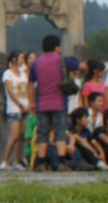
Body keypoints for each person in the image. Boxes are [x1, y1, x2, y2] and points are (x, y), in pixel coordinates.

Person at [27, 34, 81, 172]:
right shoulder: (62, 60)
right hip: (59, 104)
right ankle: (61, 162)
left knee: (42, 133)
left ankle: (40, 163)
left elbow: (30, 84)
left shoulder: (37, 63)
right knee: (60, 132)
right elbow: (79, 66)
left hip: (42, 104)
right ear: (56, 47)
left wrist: (31, 102)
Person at [0, 52, 29, 170]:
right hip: (14, 108)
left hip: (25, 106)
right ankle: (5, 160)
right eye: (21, 58)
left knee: (22, 135)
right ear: (14, 59)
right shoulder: (8, 74)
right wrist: (19, 104)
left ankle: (16, 161)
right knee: (15, 135)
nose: (23, 60)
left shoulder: (23, 74)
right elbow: (10, 91)